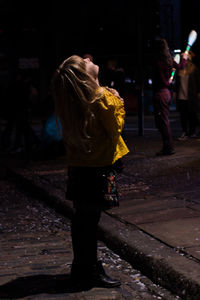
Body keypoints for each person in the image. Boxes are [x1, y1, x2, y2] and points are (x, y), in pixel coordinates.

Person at [51, 55, 129, 289]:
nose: (88, 58)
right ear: (86, 77)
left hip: (79, 171)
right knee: (90, 221)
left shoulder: (74, 103)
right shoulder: (102, 99)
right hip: (98, 170)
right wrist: (118, 101)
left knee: (82, 221)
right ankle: (90, 269)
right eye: (84, 61)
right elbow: (116, 128)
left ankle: (81, 267)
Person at [152, 38, 188, 156]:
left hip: (161, 93)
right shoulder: (169, 60)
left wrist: (168, 81)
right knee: (162, 121)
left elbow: (163, 82)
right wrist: (184, 58)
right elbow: (181, 66)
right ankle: (167, 147)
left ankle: (168, 148)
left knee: (163, 122)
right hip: (166, 93)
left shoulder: (158, 63)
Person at [173, 51, 200, 140]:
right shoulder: (179, 70)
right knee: (183, 115)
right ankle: (185, 132)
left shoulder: (194, 69)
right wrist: (175, 93)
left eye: (187, 60)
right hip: (181, 96)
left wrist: (198, 93)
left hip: (191, 96)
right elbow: (176, 84)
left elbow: (198, 82)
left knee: (192, 114)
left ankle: (192, 132)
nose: (185, 61)